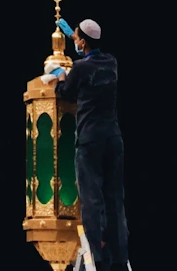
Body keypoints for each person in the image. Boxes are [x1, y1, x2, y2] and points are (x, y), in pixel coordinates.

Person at [49, 19, 128, 271]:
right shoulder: (111, 63)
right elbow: (88, 59)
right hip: (113, 140)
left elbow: (66, 91)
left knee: (92, 199)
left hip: (90, 141)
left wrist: (59, 73)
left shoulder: (81, 69)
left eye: (79, 39)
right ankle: (118, 257)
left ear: (83, 41)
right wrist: (75, 37)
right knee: (115, 200)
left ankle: (97, 256)